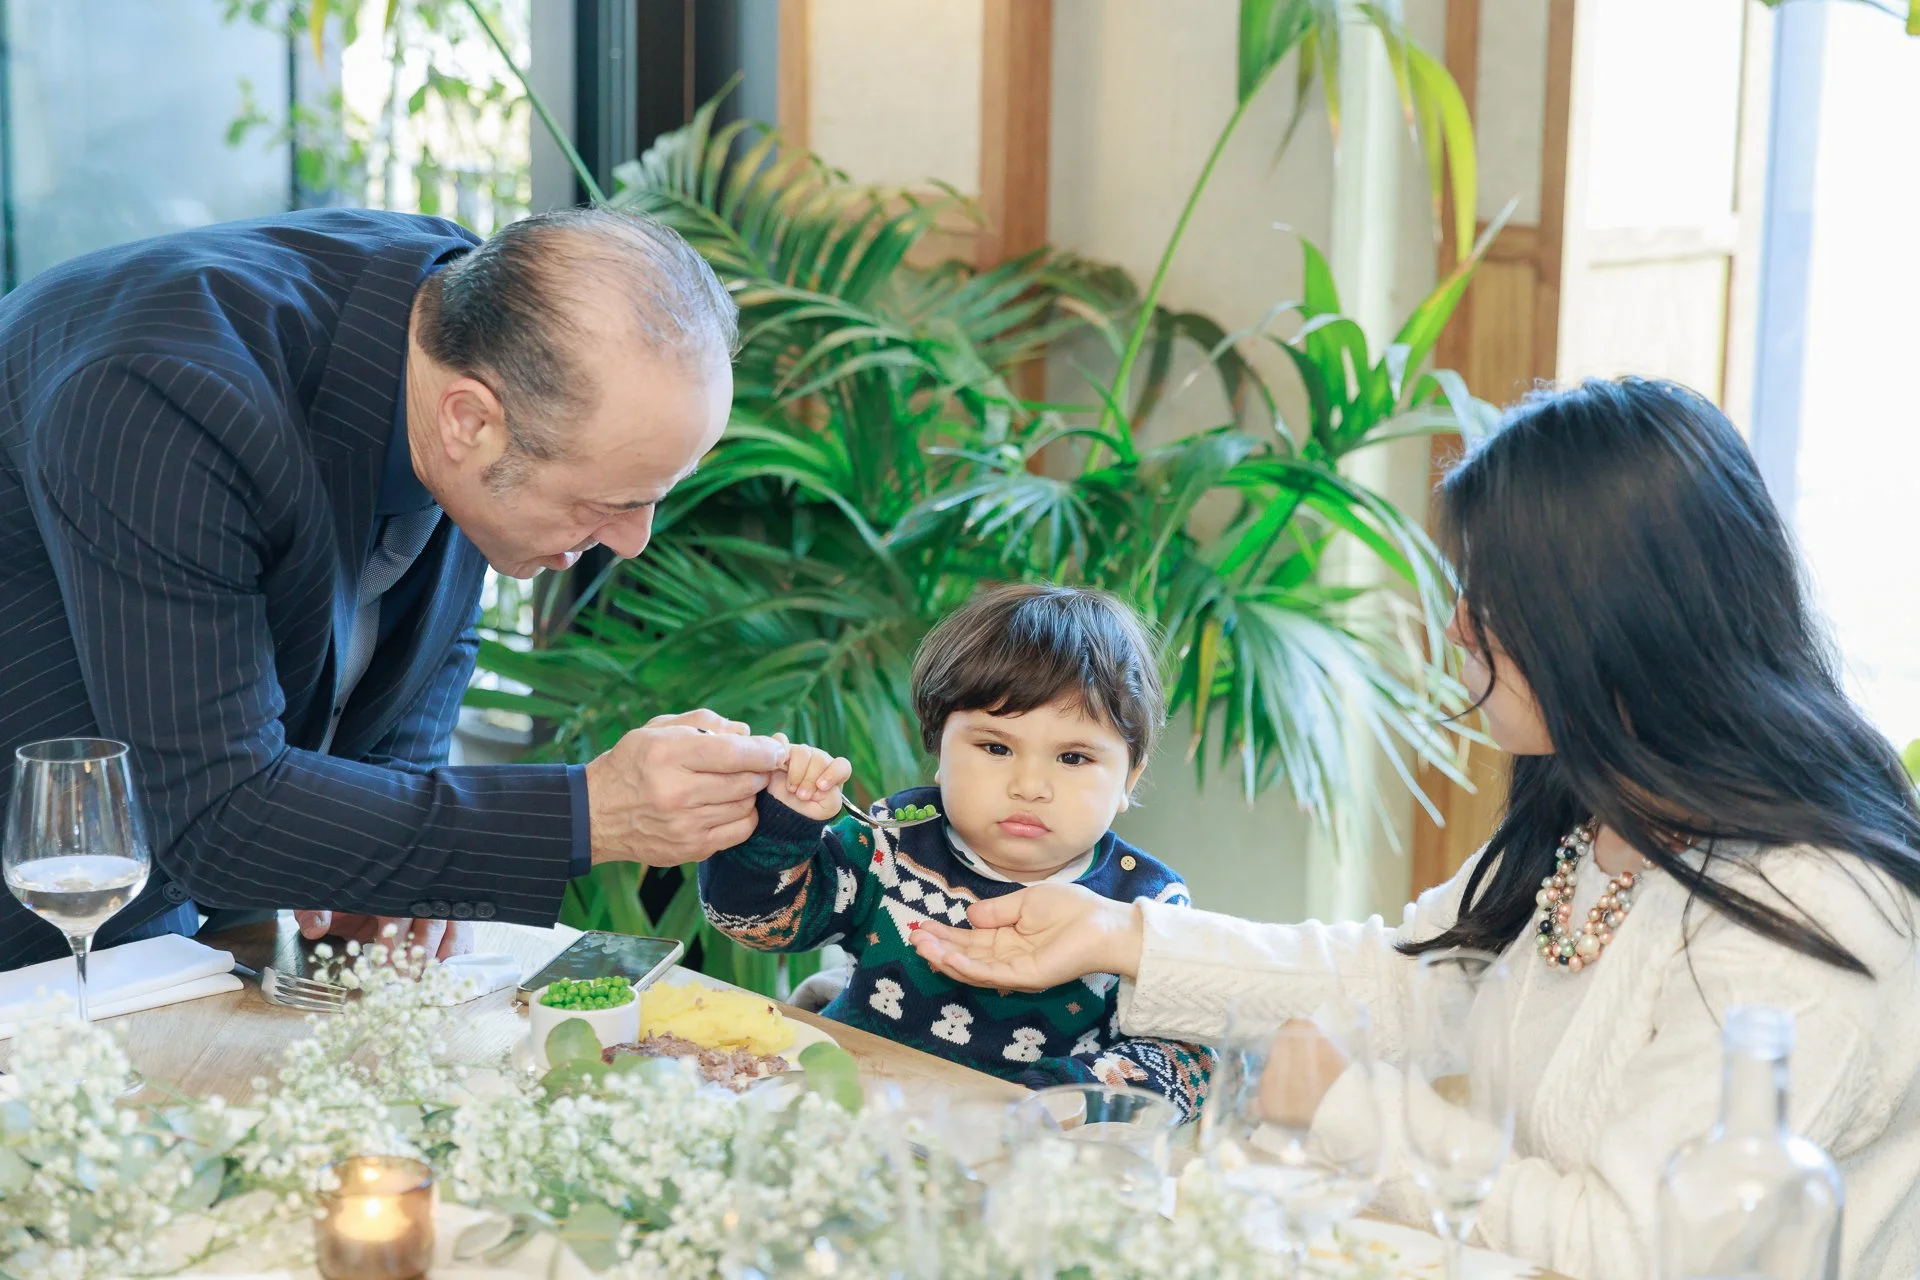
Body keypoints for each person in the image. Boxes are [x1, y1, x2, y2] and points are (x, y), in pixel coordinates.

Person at [911, 379, 1920, 1279]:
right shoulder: (1602, 802)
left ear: (1610, 614)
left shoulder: (1806, 913)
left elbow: (1635, 1250)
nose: (1458, 630)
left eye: (1489, 598)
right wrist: (1112, 933)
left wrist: (1352, 1110)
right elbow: (1408, 976)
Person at [0, 206, 788, 971]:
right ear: (468, 422)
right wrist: (595, 812)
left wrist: (399, 875)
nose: (635, 541)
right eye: (608, 504)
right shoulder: (171, 398)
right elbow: (219, 817)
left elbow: (430, 643)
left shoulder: (457, 327)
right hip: (49, 886)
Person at [698, 584, 1213, 1116]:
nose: (1030, 785)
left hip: (1024, 1154)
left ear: (1130, 777)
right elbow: (752, 921)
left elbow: (1188, 1056)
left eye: (1074, 758)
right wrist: (784, 827)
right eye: (995, 747)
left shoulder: (1145, 904)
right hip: (854, 1111)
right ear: (938, 748)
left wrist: (1069, 1098)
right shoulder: (889, 842)